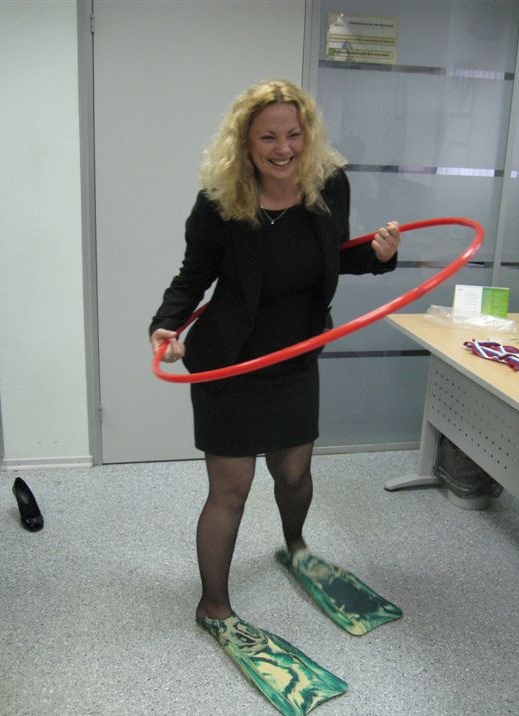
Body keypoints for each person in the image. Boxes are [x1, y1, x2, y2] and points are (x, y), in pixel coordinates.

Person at [149, 79, 400, 628]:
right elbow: (193, 277)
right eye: (268, 137)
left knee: (293, 473)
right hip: (229, 360)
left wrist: (378, 256)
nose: (283, 149)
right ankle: (213, 606)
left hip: (293, 355)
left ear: (308, 135)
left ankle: (297, 546)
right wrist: (165, 325)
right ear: (245, 142)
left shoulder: (328, 185)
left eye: (294, 135)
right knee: (232, 488)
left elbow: (332, 255)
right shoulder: (220, 201)